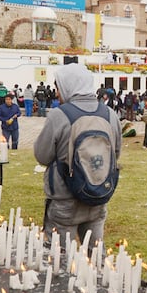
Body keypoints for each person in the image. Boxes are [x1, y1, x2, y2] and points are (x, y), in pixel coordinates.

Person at [33, 63, 121, 247]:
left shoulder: (59, 115)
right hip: (98, 195)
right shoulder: (110, 114)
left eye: (58, 87)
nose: (57, 93)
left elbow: (42, 156)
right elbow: (115, 154)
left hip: (65, 201)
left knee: (60, 261)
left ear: (68, 85)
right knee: (96, 257)